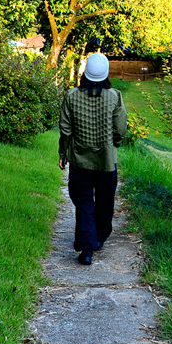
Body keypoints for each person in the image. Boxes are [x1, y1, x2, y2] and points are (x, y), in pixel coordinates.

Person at [58, 53, 128, 266]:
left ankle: (86, 248)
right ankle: (99, 237)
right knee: (105, 200)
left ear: (85, 73)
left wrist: (63, 154)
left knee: (84, 202)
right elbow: (120, 128)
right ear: (106, 74)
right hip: (106, 160)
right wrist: (115, 144)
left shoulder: (71, 96)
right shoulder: (115, 96)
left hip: (80, 161)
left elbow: (65, 130)